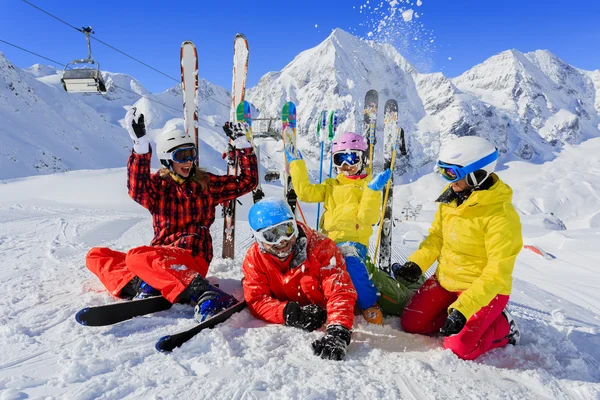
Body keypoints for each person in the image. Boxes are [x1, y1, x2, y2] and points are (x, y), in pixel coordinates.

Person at [85, 108, 258, 322]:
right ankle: (146, 283)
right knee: (96, 255)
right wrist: (140, 147)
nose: (189, 161)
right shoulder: (158, 187)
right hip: (160, 257)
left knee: (138, 256)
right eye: (181, 156)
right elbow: (136, 187)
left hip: (192, 258)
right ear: (167, 160)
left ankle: (203, 292)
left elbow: (247, 182)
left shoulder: (206, 184)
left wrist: (243, 146)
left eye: (191, 154)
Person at [393, 135, 522, 360]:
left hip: (484, 291)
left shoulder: (500, 216)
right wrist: (416, 264)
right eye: (443, 172)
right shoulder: (452, 200)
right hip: (446, 280)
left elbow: (497, 272)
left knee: (459, 348)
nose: (447, 180)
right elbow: (437, 237)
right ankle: (457, 313)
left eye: (452, 173)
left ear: (478, 174)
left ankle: (503, 326)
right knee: (413, 324)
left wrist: (464, 309)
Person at [285, 132, 414, 325]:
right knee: (308, 261)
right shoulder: (331, 186)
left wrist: (372, 191)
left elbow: (367, 218)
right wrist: (296, 165)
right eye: (340, 159)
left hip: (353, 243)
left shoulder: (366, 186)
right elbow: (305, 193)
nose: (346, 165)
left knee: (350, 263)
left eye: (352, 157)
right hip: (327, 241)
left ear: (362, 159)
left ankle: (369, 304)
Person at [242, 197, 357, 361]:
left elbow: (339, 290)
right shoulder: (255, 259)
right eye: (271, 235)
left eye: (286, 230)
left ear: (295, 226)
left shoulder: (321, 248)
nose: (282, 240)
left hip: (330, 301)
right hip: (298, 304)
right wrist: (289, 313)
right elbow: (256, 299)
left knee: (356, 271)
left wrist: (338, 328)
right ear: (258, 238)